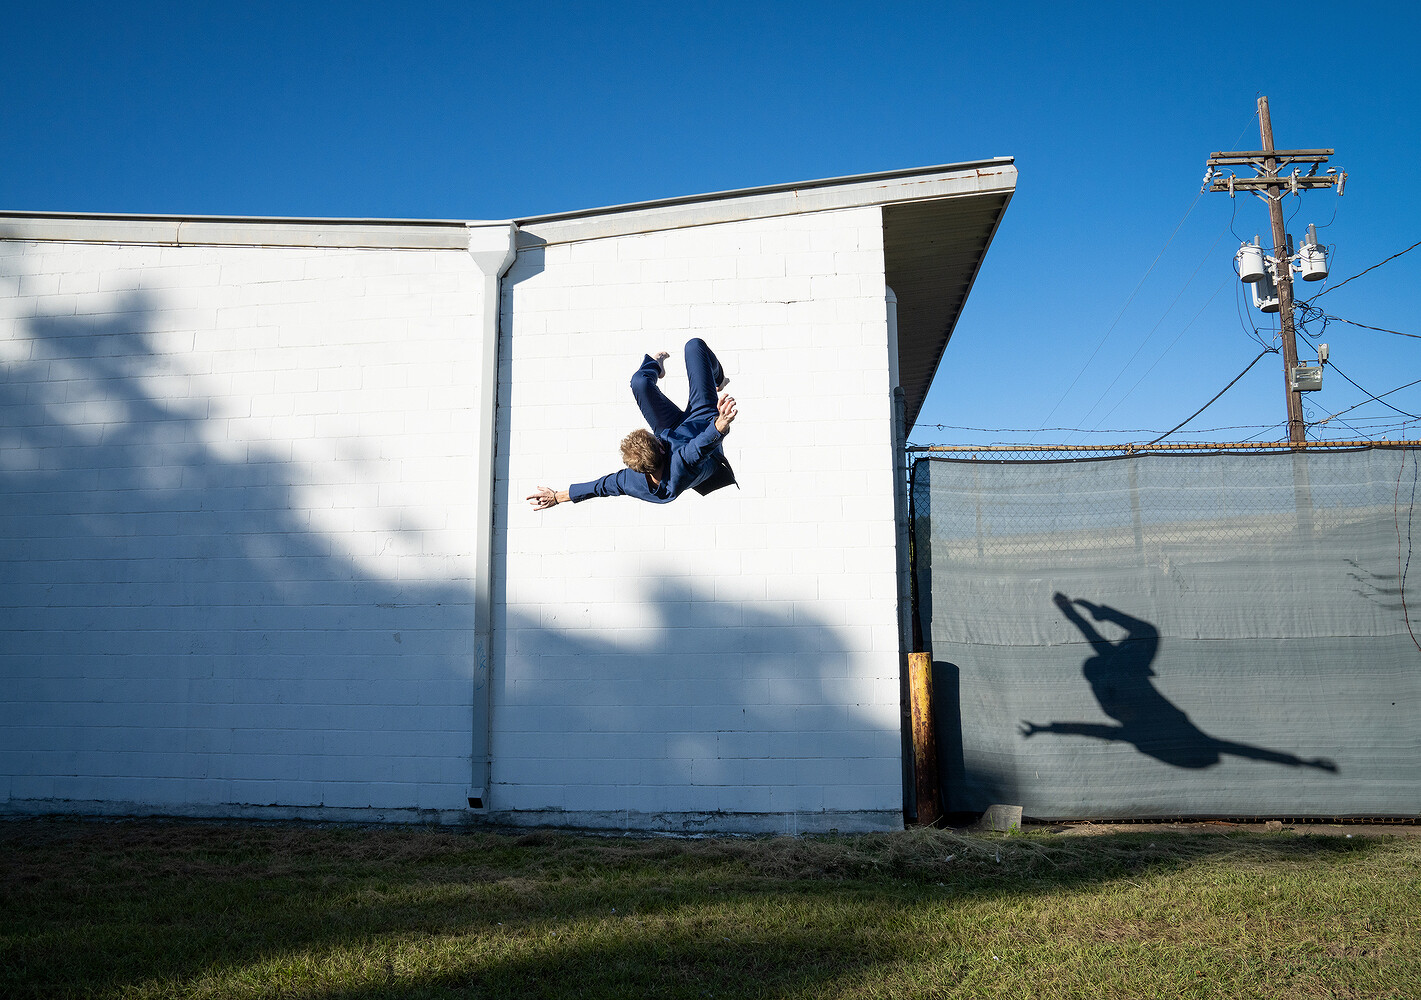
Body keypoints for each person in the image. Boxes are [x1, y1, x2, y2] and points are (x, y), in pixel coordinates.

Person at [527, 337, 738, 510]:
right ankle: (718, 379)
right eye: (655, 439)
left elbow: (599, 486)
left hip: (673, 431)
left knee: (640, 383)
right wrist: (722, 421)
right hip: (701, 425)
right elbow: (703, 445)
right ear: (661, 449)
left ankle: (655, 368)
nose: (656, 436)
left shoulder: (633, 480)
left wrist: (557, 497)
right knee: (694, 346)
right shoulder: (683, 463)